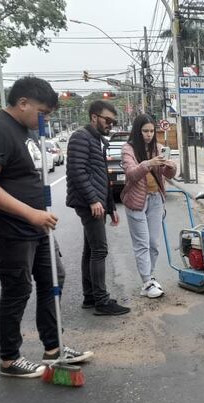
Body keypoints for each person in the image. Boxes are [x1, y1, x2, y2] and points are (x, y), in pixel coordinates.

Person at [0, 76, 92, 378]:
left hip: (34, 224)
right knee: (18, 287)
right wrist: (30, 213)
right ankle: (10, 359)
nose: (46, 118)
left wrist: (38, 212)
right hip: (7, 226)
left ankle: (53, 347)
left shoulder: (23, 130)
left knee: (54, 277)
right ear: (23, 103)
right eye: (43, 111)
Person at [66, 100, 130, 316]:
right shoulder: (80, 137)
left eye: (113, 121)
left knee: (90, 250)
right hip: (88, 204)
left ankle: (90, 296)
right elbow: (77, 171)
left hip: (97, 203)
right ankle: (101, 301)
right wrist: (94, 200)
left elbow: (101, 176)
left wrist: (111, 206)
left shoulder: (95, 139)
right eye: (107, 120)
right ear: (94, 117)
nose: (110, 124)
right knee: (99, 250)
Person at [120, 114, 177, 299]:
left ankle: (150, 277)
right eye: (145, 131)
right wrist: (149, 163)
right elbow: (131, 173)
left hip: (156, 199)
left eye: (152, 131)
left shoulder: (158, 148)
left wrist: (171, 166)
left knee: (154, 243)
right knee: (142, 244)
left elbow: (168, 175)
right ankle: (146, 281)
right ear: (138, 131)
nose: (149, 134)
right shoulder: (128, 149)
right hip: (137, 201)